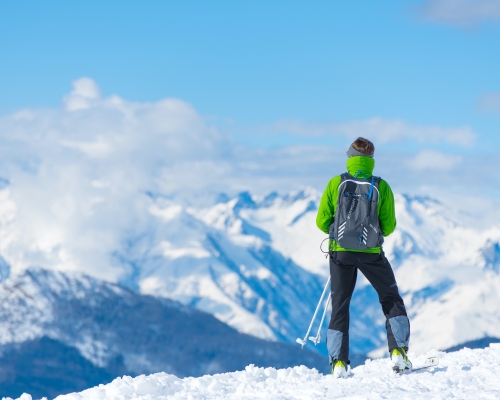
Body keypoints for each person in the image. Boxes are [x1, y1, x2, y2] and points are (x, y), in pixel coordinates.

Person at [316, 137, 411, 378]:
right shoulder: (381, 186)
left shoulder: (336, 183)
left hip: (341, 252)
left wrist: (337, 232)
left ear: (350, 157)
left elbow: (321, 221)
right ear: (371, 159)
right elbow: (389, 227)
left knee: (340, 304)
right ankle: (398, 351)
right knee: (390, 297)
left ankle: (338, 363)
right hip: (371, 253)